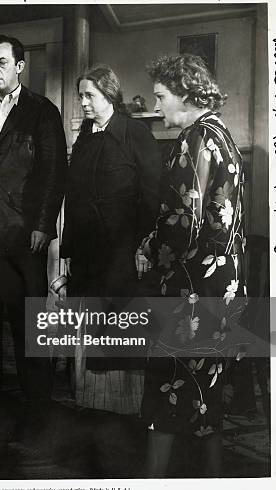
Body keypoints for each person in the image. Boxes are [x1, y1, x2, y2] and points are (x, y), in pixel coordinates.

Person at [137, 54, 245, 477]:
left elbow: (184, 224)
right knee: (208, 398)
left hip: (192, 289)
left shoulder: (195, 138)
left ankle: (151, 482)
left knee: (167, 390)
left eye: (162, 97)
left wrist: (147, 246)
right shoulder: (224, 135)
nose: (157, 106)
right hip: (225, 286)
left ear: (185, 94)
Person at [0, 35, 67, 413]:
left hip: (26, 235)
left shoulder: (42, 111)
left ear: (20, 66)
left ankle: (38, 404)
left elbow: (54, 173)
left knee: (30, 322)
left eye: (2, 62)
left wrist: (41, 224)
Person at [59, 65, 161, 415]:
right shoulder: (85, 135)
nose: (84, 103)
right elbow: (73, 196)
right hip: (88, 251)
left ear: (109, 95)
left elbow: (151, 194)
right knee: (89, 324)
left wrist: (145, 243)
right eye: (81, 96)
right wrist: (69, 250)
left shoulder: (135, 133)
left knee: (119, 326)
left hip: (122, 251)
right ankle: (90, 405)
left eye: (90, 95)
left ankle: (125, 411)